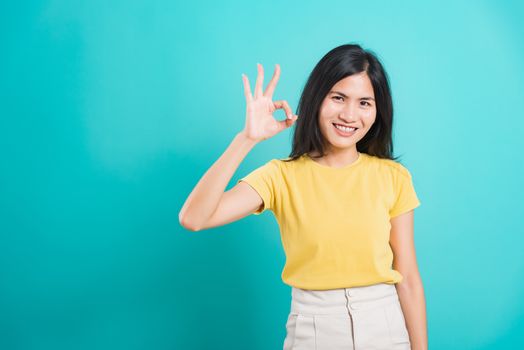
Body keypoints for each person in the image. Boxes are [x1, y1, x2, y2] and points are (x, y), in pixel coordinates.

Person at [179, 43, 428, 350]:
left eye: (365, 103)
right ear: (316, 99)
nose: (350, 114)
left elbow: (409, 279)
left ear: (378, 111)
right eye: (338, 98)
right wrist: (246, 139)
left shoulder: (393, 177)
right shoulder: (279, 177)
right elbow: (194, 218)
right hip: (314, 331)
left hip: (387, 329)